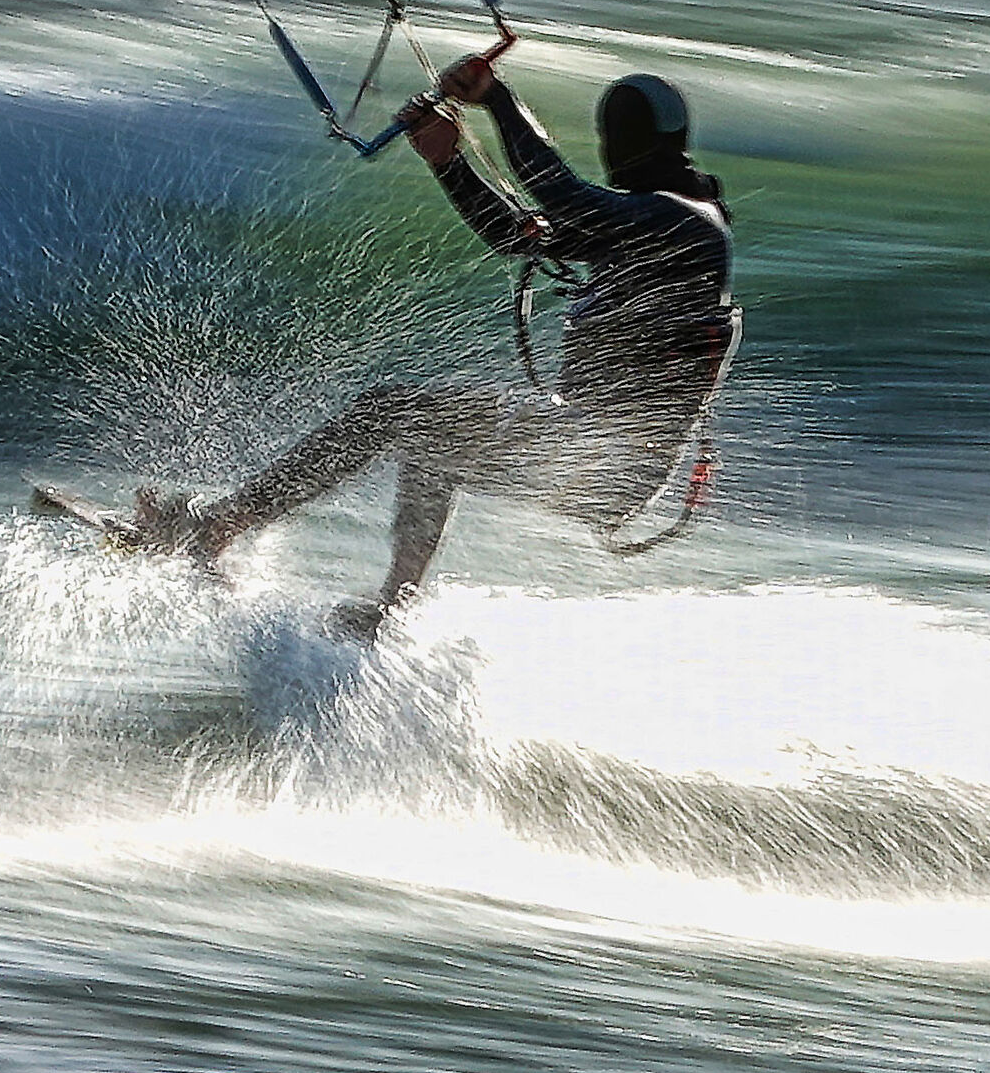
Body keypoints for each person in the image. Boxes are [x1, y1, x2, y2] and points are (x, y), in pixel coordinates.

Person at [136, 52, 741, 640]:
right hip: (594, 450)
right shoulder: (653, 223)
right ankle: (392, 609)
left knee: (391, 412)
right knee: (431, 434)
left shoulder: (686, 222)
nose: (613, 153)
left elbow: (564, 197)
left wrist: (497, 101)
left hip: (603, 460)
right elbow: (514, 236)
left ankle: (216, 530)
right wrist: (450, 163)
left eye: (619, 137)